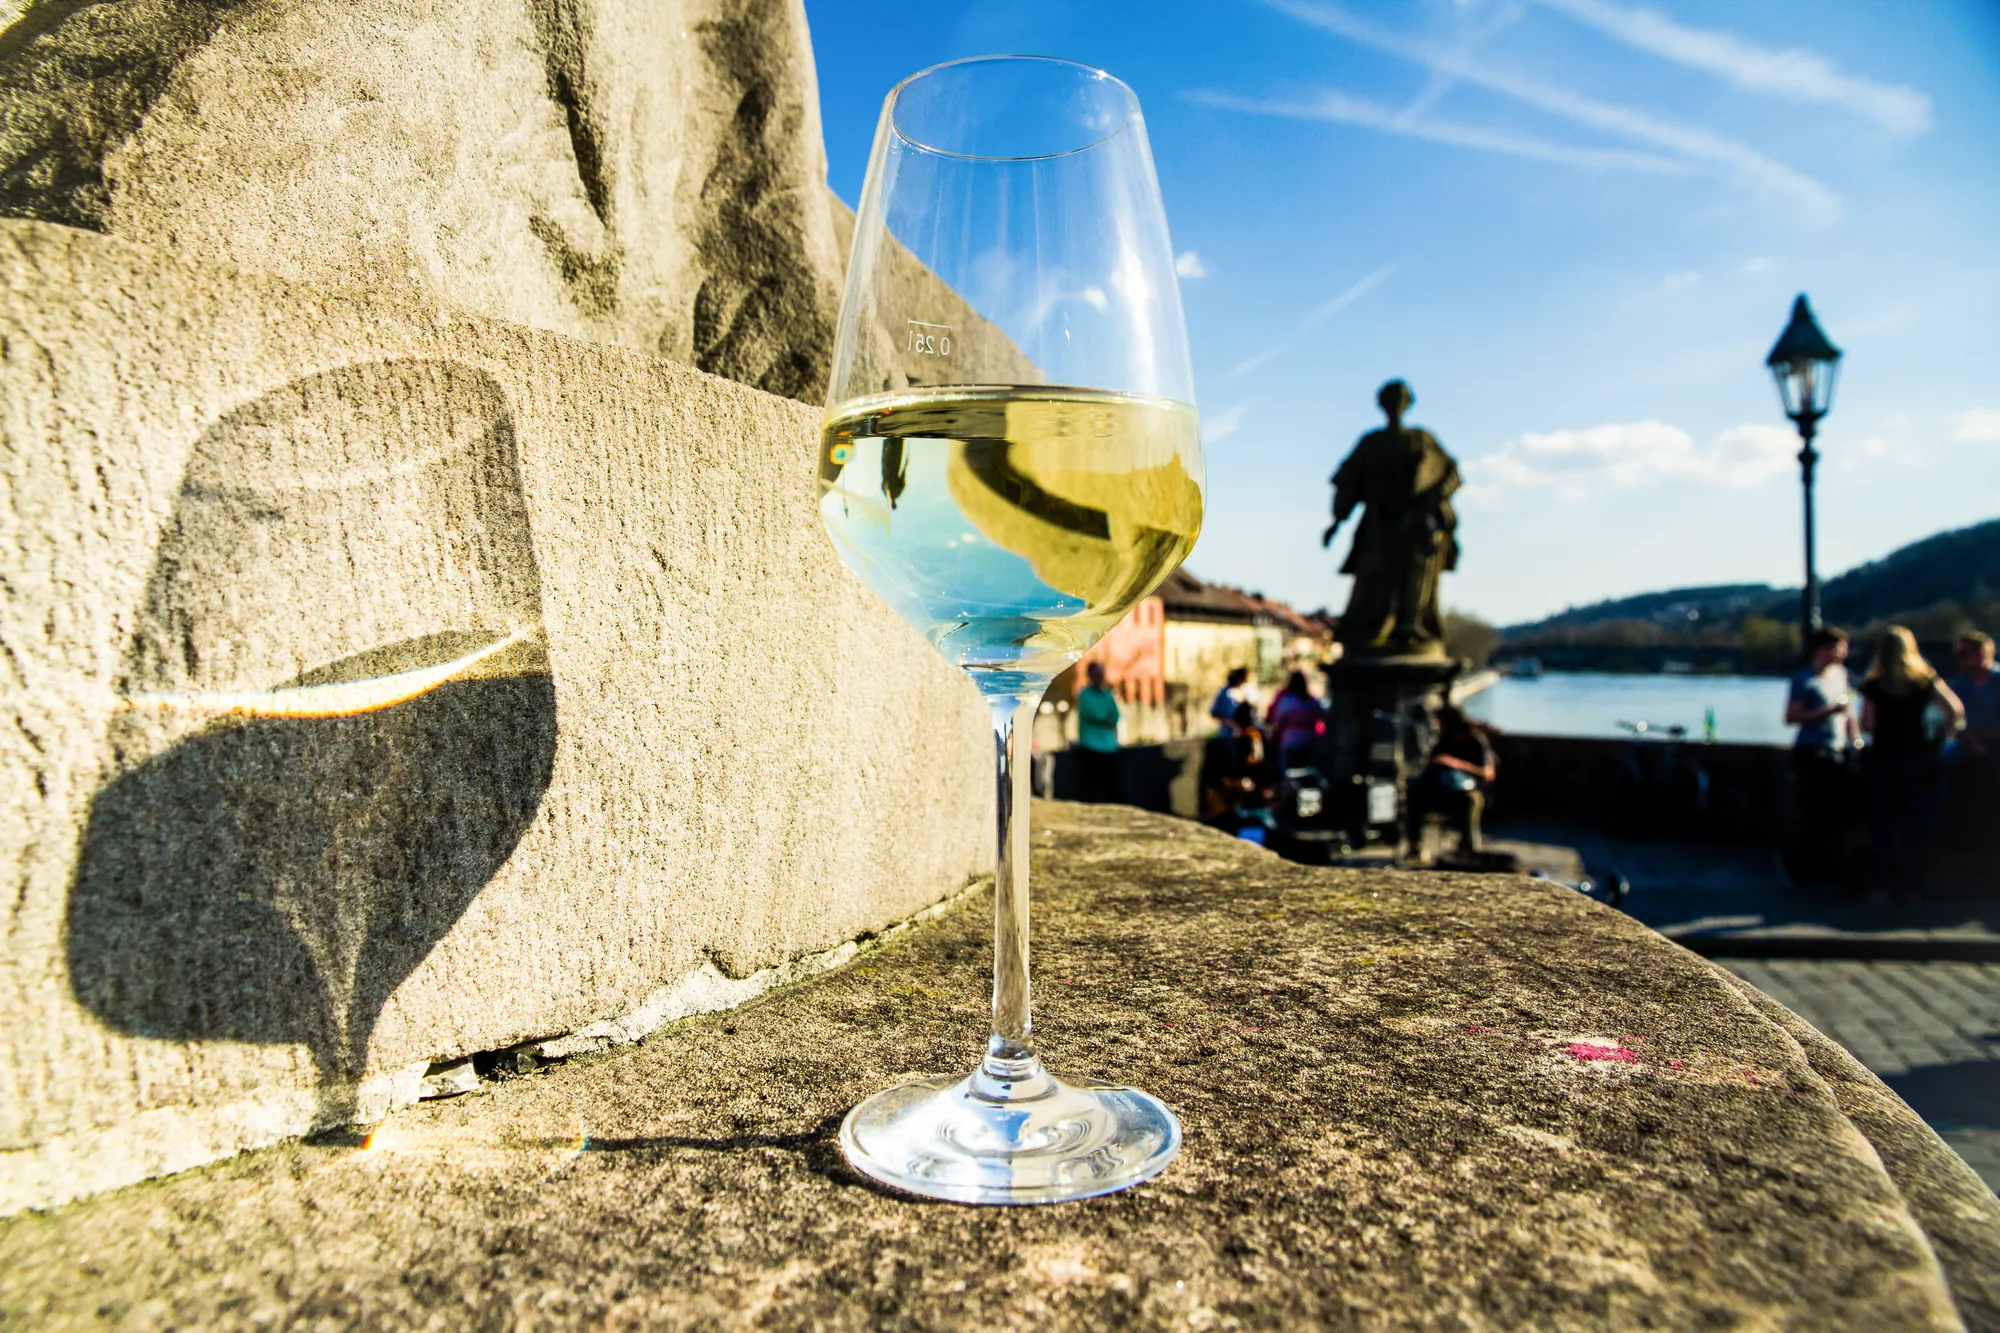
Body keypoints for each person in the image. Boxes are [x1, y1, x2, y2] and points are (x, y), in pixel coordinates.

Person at [1321, 380, 1461, 658]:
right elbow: (1349, 479)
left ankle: (1410, 628)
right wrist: (1336, 522)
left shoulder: (1422, 438)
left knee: (1414, 578)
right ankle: (1376, 628)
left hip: (1414, 524)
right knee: (1374, 577)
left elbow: (1449, 474)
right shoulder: (1371, 442)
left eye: (1400, 400)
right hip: (1379, 522)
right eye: (1390, 400)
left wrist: (1433, 497)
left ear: (1407, 404)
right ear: (1382, 405)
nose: (1395, 406)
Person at [1859, 626, 1963, 900]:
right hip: (1918, 757)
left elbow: (1867, 724)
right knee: (1914, 823)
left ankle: (1881, 885)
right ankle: (1912, 886)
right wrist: (1942, 739)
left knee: (1882, 824)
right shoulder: (1924, 680)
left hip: (1884, 758)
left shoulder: (1873, 684)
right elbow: (1955, 710)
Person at [1785, 626, 1855, 882]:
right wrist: (1827, 712)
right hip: (1811, 752)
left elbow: (1849, 713)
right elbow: (1792, 716)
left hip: (1835, 751)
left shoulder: (1841, 675)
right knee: (1811, 812)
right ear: (1823, 648)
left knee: (1834, 814)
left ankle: (1830, 868)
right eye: (1840, 648)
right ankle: (1805, 871)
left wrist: (1854, 740)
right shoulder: (1804, 679)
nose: (1844, 653)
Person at [1405, 705, 1496, 857]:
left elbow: (1488, 774)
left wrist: (1456, 764)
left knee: (1470, 801)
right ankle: (1415, 846)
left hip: (1467, 791)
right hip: (1442, 789)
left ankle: (1468, 848)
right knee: (1414, 797)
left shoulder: (1475, 741)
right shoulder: (1443, 741)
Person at [1199, 702, 1271, 831]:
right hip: (1226, 803)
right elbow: (1219, 778)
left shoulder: (1257, 737)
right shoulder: (1227, 745)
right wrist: (1238, 783)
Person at [1946, 631, 2000, 767]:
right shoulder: (1958, 685)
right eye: (1957, 655)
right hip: (1970, 745)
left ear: (1983, 654)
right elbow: (1955, 719)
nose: (1959, 660)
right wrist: (1970, 737)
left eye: (1964, 654)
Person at [1073, 661, 1122, 803]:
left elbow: (1115, 715)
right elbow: (1093, 714)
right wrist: (1104, 719)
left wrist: (1105, 718)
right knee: (1091, 786)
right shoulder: (1084, 695)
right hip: (1091, 746)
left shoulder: (1107, 695)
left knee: (1111, 785)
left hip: (1109, 746)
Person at [1264, 669, 1326, 770]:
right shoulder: (1313, 702)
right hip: (1309, 742)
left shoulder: (1286, 702)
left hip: (1290, 742)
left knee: (1291, 773)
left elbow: (1278, 722)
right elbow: (1323, 718)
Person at [1209, 667, 1250, 734]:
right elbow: (1214, 711)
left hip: (1244, 733)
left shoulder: (1246, 691)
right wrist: (1227, 721)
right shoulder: (1225, 693)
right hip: (1228, 733)